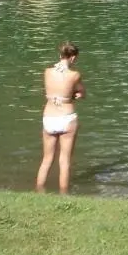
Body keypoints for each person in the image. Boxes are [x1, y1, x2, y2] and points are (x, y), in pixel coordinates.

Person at [36, 42, 86, 194]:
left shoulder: (47, 72)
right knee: (64, 161)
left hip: (49, 117)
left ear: (60, 55)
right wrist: (76, 95)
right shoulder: (75, 75)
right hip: (66, 117)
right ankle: (63, 196)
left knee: (46, 160)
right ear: (73, 58)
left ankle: (39, 192)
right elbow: (82, 93)